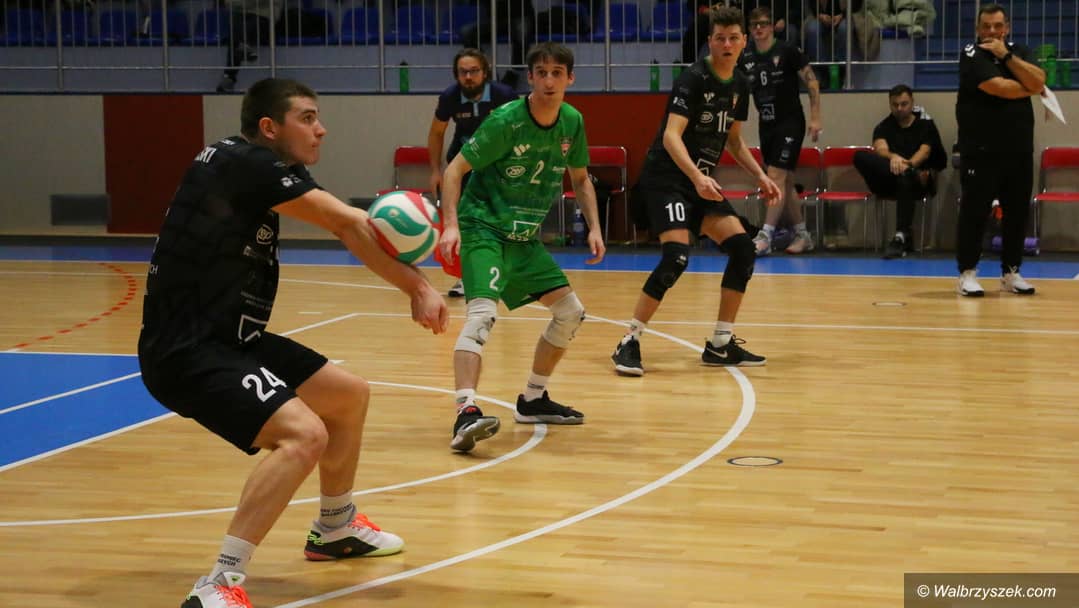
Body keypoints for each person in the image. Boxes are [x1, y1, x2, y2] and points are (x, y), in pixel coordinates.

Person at [137, 78, 448, 608]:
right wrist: (409, 222)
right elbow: (346, 219)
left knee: (346, 396)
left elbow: (345, 230)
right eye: (307, 118)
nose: (320, 129)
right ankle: (219, 583)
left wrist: (417, 287)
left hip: (236, 338)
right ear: (269, 127)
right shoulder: (243, 162)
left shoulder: (272, 168)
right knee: (304, 435)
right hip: (189, 351)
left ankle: (335, 528)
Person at [438, 42, 606, 452]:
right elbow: (455, 170)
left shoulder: (572, 122)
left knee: (570, 313)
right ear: (530, 78)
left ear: (570, 78)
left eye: (557, 73)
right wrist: (451, 225)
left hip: (523, 238)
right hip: (484, 228)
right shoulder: (506, 121)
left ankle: (532, 399)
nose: (549, 81)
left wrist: (595, 228)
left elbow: (580, 178)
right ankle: (465, 411)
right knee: (481, 315)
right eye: (541, 73)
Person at [611, 6, 781, 377]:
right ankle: (629, 340)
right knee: (676, 257)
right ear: (710, 41)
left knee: (743, 249)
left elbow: (734, 142)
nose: (727, 45)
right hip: (667, 179)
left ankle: (720, 343)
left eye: (733, 38)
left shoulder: (740, 84)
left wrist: (761, 176)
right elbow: (671, 137)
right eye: (720, 38)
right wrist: (697, 177)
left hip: (700, 182)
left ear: (744, 41)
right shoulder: (693, 78)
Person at [955, 3, 1043, 296]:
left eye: (997, 26)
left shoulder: (1020, 51)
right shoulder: (971, 53)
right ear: (978, 29)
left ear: (1007, 28)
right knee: (975, 212)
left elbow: (1040, 79)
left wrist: (1006, 56)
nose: (992, 31)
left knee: (1017, 213)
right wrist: (1029, 87)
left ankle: (1010, 272)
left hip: (1018, 149)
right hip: (981, 149)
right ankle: (967, 273)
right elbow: (999, 87)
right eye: (986, 26)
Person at [428, 48, 518, 298]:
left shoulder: (504, 95)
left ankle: (504, 274)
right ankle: (466, 277)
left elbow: (521, 129)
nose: (468, 77)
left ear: (485, 72)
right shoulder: (450, 97)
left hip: (498, 164)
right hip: (463, 164)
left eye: (474, 71)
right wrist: (435, 170)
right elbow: (436, 132)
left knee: (501, 219)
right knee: (464, 221)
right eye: (463, 72)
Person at [740, 5, 822, 256]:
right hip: (767, 124)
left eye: (764, 24)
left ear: (772, 26)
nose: (759, 29)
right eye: (754, 25)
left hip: (790, 122)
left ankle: (765, 235)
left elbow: (812, 82)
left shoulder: (787, 51)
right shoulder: (746, 56)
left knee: (775, 175)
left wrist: (816, 118)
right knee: (784, 182)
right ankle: (803, 234)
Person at [853, 84, 945, 259]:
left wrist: (908, 165)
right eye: (895, 105)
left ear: (912, 102)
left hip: (918, 181)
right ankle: (907, 172)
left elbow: (924, 152)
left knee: (906, 177)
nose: (900, 108)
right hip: (889, 178)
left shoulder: (925, 125)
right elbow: (880, 148)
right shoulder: (883, 126)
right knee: (860, 156)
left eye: (904, 104)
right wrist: (894, 157)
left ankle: (900, 236)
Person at [461, 0, 536, 90]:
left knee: (521, 31)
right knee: (467, 32)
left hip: (521, 16)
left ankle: (514, 73)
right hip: (496, 20)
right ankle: (487, 70)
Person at [215, 0, 281, 93]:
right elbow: (228, 2)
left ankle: (229, 76)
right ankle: (244, 48)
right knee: (236, 23)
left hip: (267, 24)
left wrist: (241, 4)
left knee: (248, 25)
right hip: (243, 21)